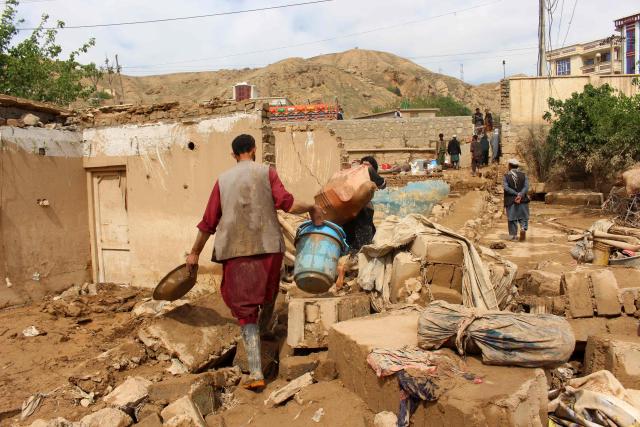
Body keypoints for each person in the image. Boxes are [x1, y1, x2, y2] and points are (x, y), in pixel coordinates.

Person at [186, 134, 321, 391]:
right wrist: (312, 208)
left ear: (234, 154)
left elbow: (208, 223)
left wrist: (194, 252)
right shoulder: (267, 172)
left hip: (237, 253)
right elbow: (288, 204)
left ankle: (256, 371)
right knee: (269, 293)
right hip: (269, 247)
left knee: (245, 309)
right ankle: (266, 332)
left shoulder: (222, 181)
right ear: (254, 150)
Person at [342, 156, 387, 252]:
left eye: (367, 165)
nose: (364, 167)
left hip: (353, 208)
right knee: (361, 239)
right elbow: (382, 184)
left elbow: (382, 184)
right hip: (358, 208)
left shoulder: (361, 171)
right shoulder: (363, 171)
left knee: (355, 237)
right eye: (363, 165)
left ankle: (355, 256)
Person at [503, 159, 530, 241]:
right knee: (523, 216)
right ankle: (523, 228)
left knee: (512, 218)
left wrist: (515, 194)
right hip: (522, 200)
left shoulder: (506, 176)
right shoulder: (523, 175)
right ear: (517, 166)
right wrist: (520, 194)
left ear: (509, 166)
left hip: (511, 200)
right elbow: (526, 187)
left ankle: (513, 235)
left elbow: (506, 188)